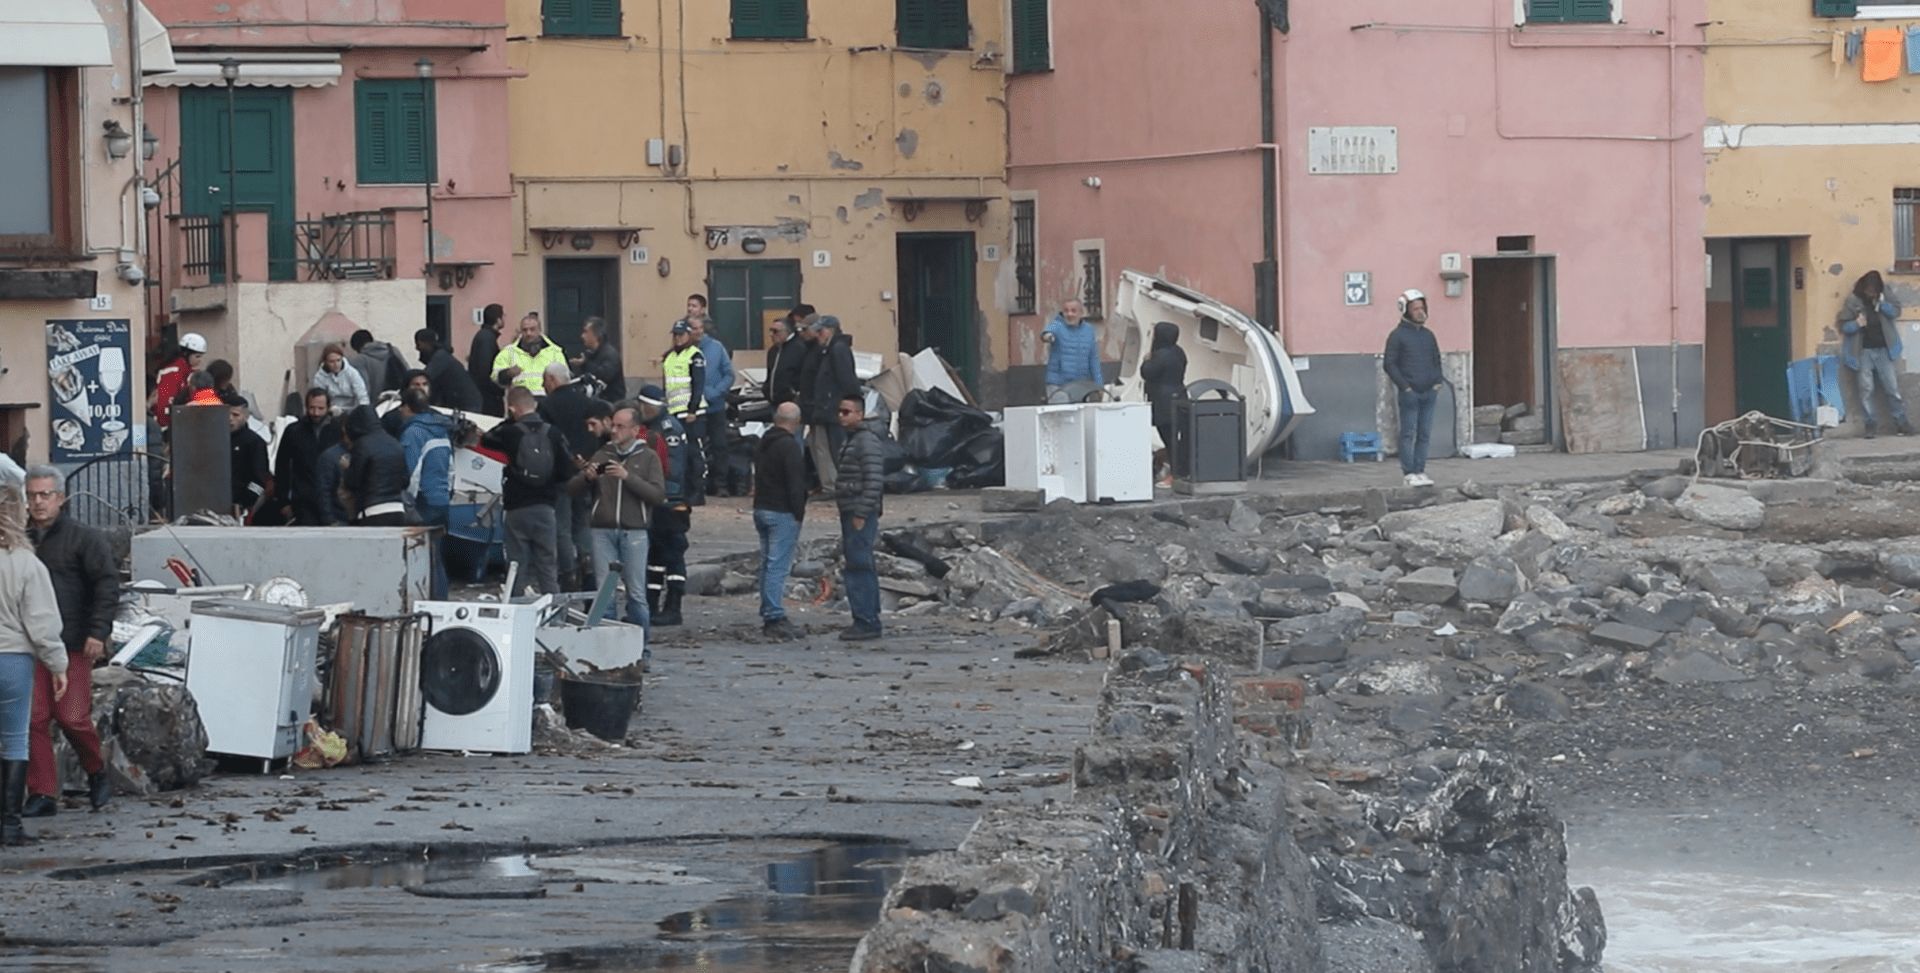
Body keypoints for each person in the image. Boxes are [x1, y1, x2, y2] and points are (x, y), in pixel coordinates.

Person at [20, 468, 114, 819]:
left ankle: (96, 770)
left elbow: (106, 585)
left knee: (73, 717)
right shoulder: (19, 539)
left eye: (45, 495)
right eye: (32, 495)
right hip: (30, 643)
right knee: (35, 718)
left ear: (60, 498)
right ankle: (42, 792)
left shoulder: (84, 538)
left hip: (73, 640)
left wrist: (98, 632)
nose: (38, 502)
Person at [0, 481, 67, 847]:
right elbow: (41, 622)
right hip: (12, 659)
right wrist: (57, 664)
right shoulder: (26, 563)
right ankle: (9, 825)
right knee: (14, 740)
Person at [571, 405, 666, 636]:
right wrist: (587, 477)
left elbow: (657, 495)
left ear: (634, 430)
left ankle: (641, 648)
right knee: (605, 594)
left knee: (636, 594)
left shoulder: (648, 457)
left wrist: (627, 477)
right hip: (602, 530)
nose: (614, 430)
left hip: (634, 532)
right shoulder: (604, 454)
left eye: (620, 426)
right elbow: (572, 489)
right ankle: (607, 646)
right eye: (613, 425)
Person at [481, 387, 570, 595]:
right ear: (535, 405)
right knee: (547, 564)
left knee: (516, 564)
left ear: (512, 408)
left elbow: (486, 439)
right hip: (545, 506)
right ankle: (553, 608)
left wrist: (509, 420)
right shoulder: (553, 433)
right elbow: (566, 470)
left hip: (517, 506)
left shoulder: (510, 432)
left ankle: (515, 607)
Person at [635, 385, 692, 626]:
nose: (640, 410)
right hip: (659, 500)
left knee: (672, 553)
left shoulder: (667, 430)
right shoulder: (651, 428)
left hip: (670, 502)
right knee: (656, 556)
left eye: (642, 405)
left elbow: (672, 470)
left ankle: (673, 606)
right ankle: (651, 604)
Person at [539, 363, 596, 590]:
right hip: (585, 471)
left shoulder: (547, 405)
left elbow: (544, 441)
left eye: (545, 380)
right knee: (582, 522)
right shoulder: (587, 403)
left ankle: (568, 574)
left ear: (552, 380)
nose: (543, 385)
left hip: (560, 474)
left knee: (562, 527)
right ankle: (588, 566)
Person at [753, 402, 808, 640]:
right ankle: (774, 615)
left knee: (767, 563)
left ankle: (769, 610)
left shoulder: (764, 442)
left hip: (762, 507)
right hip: (782, 511)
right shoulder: (790, 446)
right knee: (777, 566)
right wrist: (799, 512)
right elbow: (796, 482)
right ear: (796, 422)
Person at [834, 393, 885, 641]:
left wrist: (862, 512)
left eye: (846, 412)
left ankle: (866, 620)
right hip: (851, 507)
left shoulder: (865, 442)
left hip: (857, 510)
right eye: (840, 412)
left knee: (858, 564)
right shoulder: (853, 440)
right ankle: (867, 618)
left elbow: (874, 480)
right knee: (859, 562)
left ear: (860, 414)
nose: (841, 417)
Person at [1839, 270, 1911, 438]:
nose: (1871, 293)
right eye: (1869, 290)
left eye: (1874, 291)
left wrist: (1882, 304)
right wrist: (1856, 324)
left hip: (1884, 349)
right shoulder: (1853, 300)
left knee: (1892, 388)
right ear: (1863, 288)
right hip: (1863, 351)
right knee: (1866, 389)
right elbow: (1844, 326)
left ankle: (1901, 422)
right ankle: (1870, 424)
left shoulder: (1885, 294)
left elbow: (1896, 312)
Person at [1383, 289, 1443, 488]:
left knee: (1424, 434)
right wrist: (1405, 387)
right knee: (1408, 434)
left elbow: (1436, 360)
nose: (1420, 312)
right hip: (1410, 393)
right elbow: (1389, 364)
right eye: (1415, 308)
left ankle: (1420, 470)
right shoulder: (1397, 336)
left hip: (1429, 392)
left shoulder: (1428, 335)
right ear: (1405, 310)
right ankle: (1408, 472)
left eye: (1422, 308)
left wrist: (1437, 382)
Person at [398, 390, 454, 599]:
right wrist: (447, 494)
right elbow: (451, 469)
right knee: (437, 555)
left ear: (408, 408)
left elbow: (411, 473)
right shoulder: (442, 431)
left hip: (423, 502)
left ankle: (429, 601)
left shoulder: (413, 433)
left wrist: (408, 503)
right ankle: (441, 599)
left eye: (402, 406)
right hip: (442, 501)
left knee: (422, 556)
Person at [803, 316, 860, 493]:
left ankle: (837, 486)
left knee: (834, 448)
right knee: (826, 447)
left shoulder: (838, 349)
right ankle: (833, 486)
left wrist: (849, 404)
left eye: (820, 331)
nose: (817, 335)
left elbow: (846, 379)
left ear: (831, 330)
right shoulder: (829, 349)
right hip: (828, 406)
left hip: (833, 408)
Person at [274, 389, 340, 526]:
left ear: (328, 407)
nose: (316, 413)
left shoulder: (337, 430)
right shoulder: (294, 431)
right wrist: (283, 501)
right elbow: (282, 467)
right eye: (312, 408)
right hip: (304, 501)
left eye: (320, 408)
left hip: (333, 499)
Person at [661, 320, 708, 504]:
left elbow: (698, 385)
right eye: (675, 335)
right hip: (673, 412)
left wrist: (692, 410)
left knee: (695, 453)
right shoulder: (669, 356)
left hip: (691, 414)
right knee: (679, 453)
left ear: (689, 335)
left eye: (681, 334)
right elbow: (667, 385)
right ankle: (682, 490)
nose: (678, 338)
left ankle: (698, 492)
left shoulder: (695, 355)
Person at [688, 316, 735, 499]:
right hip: (692, 409)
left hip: (715, 406)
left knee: (719, 445)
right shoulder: (682, 351)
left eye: (700, 328)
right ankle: (697, 484)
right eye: (694, 328)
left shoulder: (716, 347)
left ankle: (721, 484)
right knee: (695, 446)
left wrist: (716, 392)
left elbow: (729, 374)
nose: (698, 331)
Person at [340, 405, 408, 526]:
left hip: (371, 510)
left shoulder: (362, 445)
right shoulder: (395, 443)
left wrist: (347, 468)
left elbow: (353, 481)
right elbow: (405, 480)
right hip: (397, 508)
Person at [1140, 321, 1188, 485]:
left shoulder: (1160, 355)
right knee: (1177, 438)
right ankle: (1180, 471)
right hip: (1179, 395)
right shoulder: (1179, 352)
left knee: (1169, 438)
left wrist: (1146, 361)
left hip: (1163, 401)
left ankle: (1174, 475)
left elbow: (1147, 372)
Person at [492, 313, 568, 399]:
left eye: (532, 329)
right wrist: (507, 373)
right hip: (520, 401)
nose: (528, 333)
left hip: (548, 400)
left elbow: (564, 378)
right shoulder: (508, 352)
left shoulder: (555, 352)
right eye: (525, 330)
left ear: (539, 330)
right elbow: (495, 377)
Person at [1042, 299, 1103, 400]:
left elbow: (1093, 359)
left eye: (1073, 311)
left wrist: (1099, 385)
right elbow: (1046, 333)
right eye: (1066, 311)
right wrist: (1048, 336)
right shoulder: (1057, 324)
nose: (1069, 314)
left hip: (1082, 384)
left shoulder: (1089, 330)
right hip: (1058, 384)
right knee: (1062, 409)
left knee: (1082, 410)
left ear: (1081, 313)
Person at [227, 394, 272, 523]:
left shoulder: (254, 442)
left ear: (246, 416)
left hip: (240, 506)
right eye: (227, 414)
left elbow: (260, 478)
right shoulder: (214, 439)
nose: (230, 419)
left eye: (235, 415)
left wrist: (246, 502)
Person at [415, 328, 482, 413]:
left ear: (425, 343)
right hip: (462, 402)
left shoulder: (440, 358)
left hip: (467, 405)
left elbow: (425, 377)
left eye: (418, 344)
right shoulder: (441, 356)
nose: (417, 348)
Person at [151, 332, 206, 431]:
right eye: (197, 356)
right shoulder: (173, 372)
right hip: (166, 426)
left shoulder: (185, 371)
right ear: (186, 354)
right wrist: (165, 425)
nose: (200, 360)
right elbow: (164, 402)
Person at [767, 304, 812, 407]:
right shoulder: (773, 351)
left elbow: (805, 376)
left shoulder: (799, 348)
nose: (771, 335)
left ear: (787, 331)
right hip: (774, 402)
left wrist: (795, 394)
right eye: (771, 331)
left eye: (775, 331)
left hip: (792, 402)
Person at [572, 317, 625, 402]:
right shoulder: (590, 354)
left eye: (586, 332)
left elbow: (603, 375)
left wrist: (585, 363)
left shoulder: (610, 355)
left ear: (596, 335)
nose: (582, 336)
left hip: (611, 403)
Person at [349, 329, 411, 399]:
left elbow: (363, 387)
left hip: (378, 401)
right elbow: (408, 371)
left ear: (356, 347)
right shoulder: (393, 350)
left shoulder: (360, 360)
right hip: (400, 397)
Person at [469, 303, 507, 416]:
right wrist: (496, 389)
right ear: (498, 320)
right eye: (503, 316)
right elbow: (485, 370)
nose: (505, 318)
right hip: (488, 398)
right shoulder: (487, 339)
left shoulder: (485, 336)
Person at [313, 343, 369, 413]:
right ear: (325, 362)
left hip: (353, 410)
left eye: (338, 360)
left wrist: (363, 410)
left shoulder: (352, 373)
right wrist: (329, 408)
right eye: (331, 361)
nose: (336, 364)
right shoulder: (320, 377)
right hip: (331, 410)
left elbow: (362, 395)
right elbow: (319, 399)